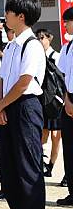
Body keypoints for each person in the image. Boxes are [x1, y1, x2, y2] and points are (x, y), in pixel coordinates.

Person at [0, 0, 46, 209]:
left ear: (21, 16)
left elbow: (24, 82)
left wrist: (1, 104)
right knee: (9, 165)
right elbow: (3, 78)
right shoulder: (12, 45)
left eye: (8, 12)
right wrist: (0, 107)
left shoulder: (31, 44)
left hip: (26, 107)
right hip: (9, 106)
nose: (5, 17)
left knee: (28, 165)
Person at [35, 28, 62, 178]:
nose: (39, 41)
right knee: (43, 132)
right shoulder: (37, 56)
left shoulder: (56, 56)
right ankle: (41, 162)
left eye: (41, 38)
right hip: (43, 100)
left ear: (49, 39)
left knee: (56, 135)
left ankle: (51, 164)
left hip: (56, 102)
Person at [57, 8, 73, 206]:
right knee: (68, 148)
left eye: (68, 21)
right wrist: (67, 100)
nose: (66, 25)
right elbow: (62, 77)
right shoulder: (67, 48)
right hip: (68, 99)